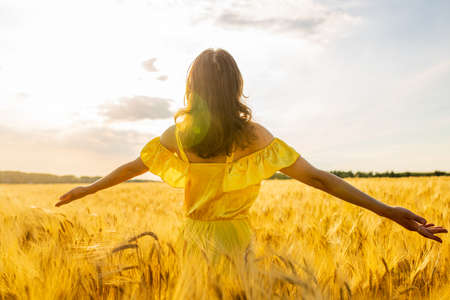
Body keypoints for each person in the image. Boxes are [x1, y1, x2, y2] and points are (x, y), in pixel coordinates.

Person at [56, 48, 447, 297]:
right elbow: (320, 179)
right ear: (236, 86)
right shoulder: (255, 137)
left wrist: (88, 189)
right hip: (235, 238)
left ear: (191, 87)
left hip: (194, 236)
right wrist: (387, 211)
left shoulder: (178, 135)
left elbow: (132, 167)